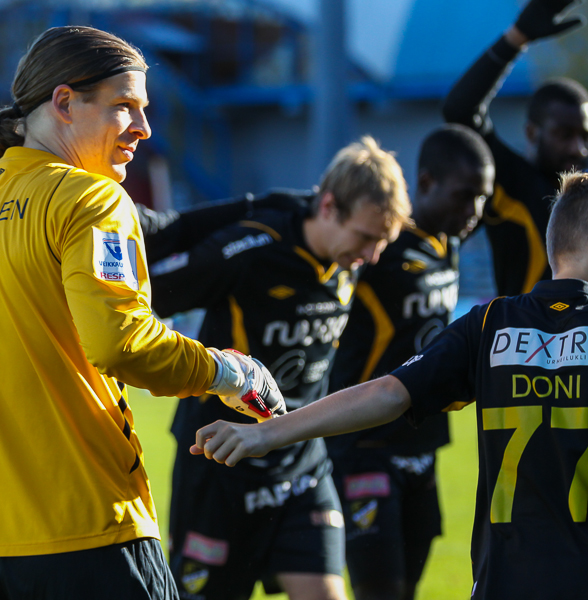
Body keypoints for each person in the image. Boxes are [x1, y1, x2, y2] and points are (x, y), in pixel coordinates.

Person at [0, 25, 282, 600]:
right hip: (88, 532)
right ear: (64, 103)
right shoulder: (90, 198)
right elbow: (122, 344)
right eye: (125, 107)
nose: (144, 129)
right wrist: (232, 371)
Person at [193, 169, 588, 600]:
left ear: (554, 246)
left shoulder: (491, 324)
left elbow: (385, 393)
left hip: (504, 584)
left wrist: (264, 433)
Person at [149, 136, 411, 600]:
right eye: (367, 238)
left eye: (382, 243)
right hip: (218, 462)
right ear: (328, 207)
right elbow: (146, 297)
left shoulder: (349, 259)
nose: (372, 256)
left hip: (300, 464)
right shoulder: (250, 248)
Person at [326, 125, 494, 600]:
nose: (474, 212)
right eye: (465, 196)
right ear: (425, 183)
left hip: (423, 440)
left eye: (482, 199)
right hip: (365, 444)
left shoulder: (448, 242)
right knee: (380, 590)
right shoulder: (380, 245)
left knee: (409, 588)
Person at [442, 0, 588, 297]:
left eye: (585, 135)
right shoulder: (512, 180)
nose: (578, 148)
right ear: (531, 132)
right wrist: (517, 37)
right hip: (521, 341)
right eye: (564, 134)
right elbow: (459, 110)